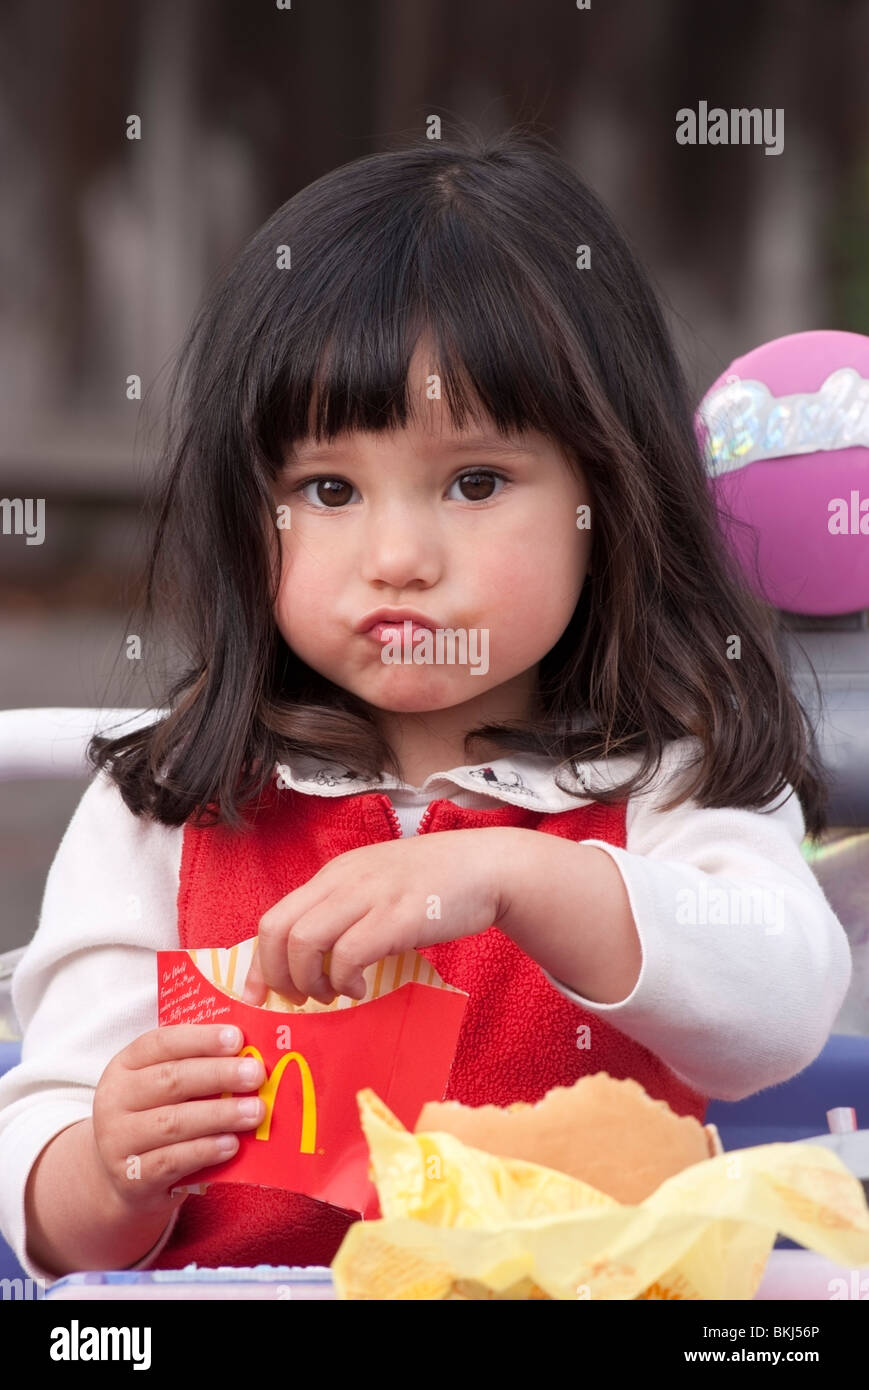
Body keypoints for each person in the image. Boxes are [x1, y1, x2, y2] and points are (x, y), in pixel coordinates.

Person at [0, 127, 851, 1282]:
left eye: (474, 482)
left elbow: (778, 1012)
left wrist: (520, 881)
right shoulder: (167, 802)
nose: (396, 555)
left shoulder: (661, 780)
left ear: (608, 498)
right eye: (328, 488)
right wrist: (104, 1166)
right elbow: (42, 1194)